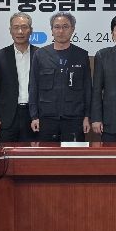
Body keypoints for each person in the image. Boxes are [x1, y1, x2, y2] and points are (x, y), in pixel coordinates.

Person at [29, 12, 91, 142]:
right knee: (48, 154)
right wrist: (34, 116)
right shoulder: (40, 55)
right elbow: (33, 87)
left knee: (74, 154)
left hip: (75, 119)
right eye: (57, 27)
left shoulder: (81, 55)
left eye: (65, 26)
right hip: (46, 119)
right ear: (52, 30)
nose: (61, 31)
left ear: (72, 29)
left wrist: (87, 116)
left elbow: (87, 89)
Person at [0, 12, 38, 142]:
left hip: (33, 116)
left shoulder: (40, 54)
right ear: (10, 30)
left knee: (32, 153)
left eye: (24, 27)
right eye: (16, 27)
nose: (20, 31)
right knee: (6, 152)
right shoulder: (0, 55)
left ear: (31, 30)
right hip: (7, 117)